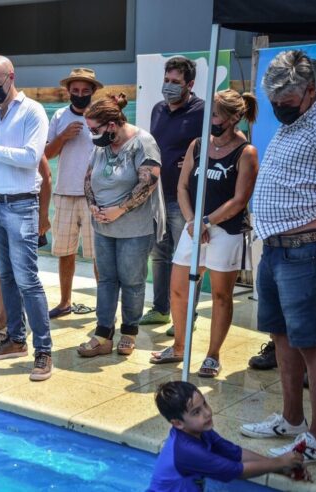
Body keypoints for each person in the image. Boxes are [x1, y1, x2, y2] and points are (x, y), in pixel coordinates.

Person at [240, 50, 316, 464]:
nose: (278, 110)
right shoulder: (295, 123)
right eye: (274, 103)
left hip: (307, 250)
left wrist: (311, 198)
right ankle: (292, 420)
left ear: (311, 91)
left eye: (286, 103)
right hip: (276, 249)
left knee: (312, 345)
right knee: (281, 336)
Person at [149, 90, 259, 379]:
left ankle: (212, 355)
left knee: (222, 295)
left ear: (234, 117)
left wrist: (207, 222)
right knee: (178, 289)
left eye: (216, 115)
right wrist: (192, 221)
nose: (210, 120)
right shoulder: (197, 145)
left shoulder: (246, 152)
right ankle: (178, 346)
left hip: (225, 230)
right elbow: (183, 187)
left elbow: (239, 200)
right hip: (194, 227)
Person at [0, 56, 53, 381]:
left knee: (28, 279)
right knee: (5, 276)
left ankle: (43, 350)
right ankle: (16, 339)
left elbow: (32, 158)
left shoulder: (32, 111)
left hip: (20, 205)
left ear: (11, 78)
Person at [76, 95, 165, 358]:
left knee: (132, 281)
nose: (93, 135)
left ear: (112, 124)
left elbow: (148, 184)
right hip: (104, 226)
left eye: (96, 129)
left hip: (134, 228)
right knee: (106, 280)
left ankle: (129, 331)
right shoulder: (102, 146)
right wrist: (93, 204)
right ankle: (103, 333)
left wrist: (119, 210)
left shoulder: (143, 143)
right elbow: (89, 177)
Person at [141, 57, 205, 336]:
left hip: (184, 199)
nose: (168, 86)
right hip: (158, 194)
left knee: (187, 258)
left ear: (189, 84)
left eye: (175, 82)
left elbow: (211, 147)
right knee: (160, 255)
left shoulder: (202, 111)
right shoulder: (158, 109)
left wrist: (191, 164)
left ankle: (187, 315)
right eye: (166, 80)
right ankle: (160, 308)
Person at [148, 381, 305, 491]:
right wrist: (278, 462)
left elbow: (235, 453)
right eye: (196, 412)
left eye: (204, 404)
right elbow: (236, 471)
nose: (207, 412)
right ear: (177, 424)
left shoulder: (201, 432)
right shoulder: (187, 451)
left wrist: (280, 467)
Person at [45, 68, 100, 319]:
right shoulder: (58, 116)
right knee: (65, 252)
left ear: (93, 92)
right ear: (68, 91)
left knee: (100, 255)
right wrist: (63, 136)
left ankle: (104, 306)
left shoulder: (101, 116)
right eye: (75, 91)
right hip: (65, 192)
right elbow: (46, 154)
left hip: (95, 196)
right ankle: (65, 301)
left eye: (85, 91)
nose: (79, 95)